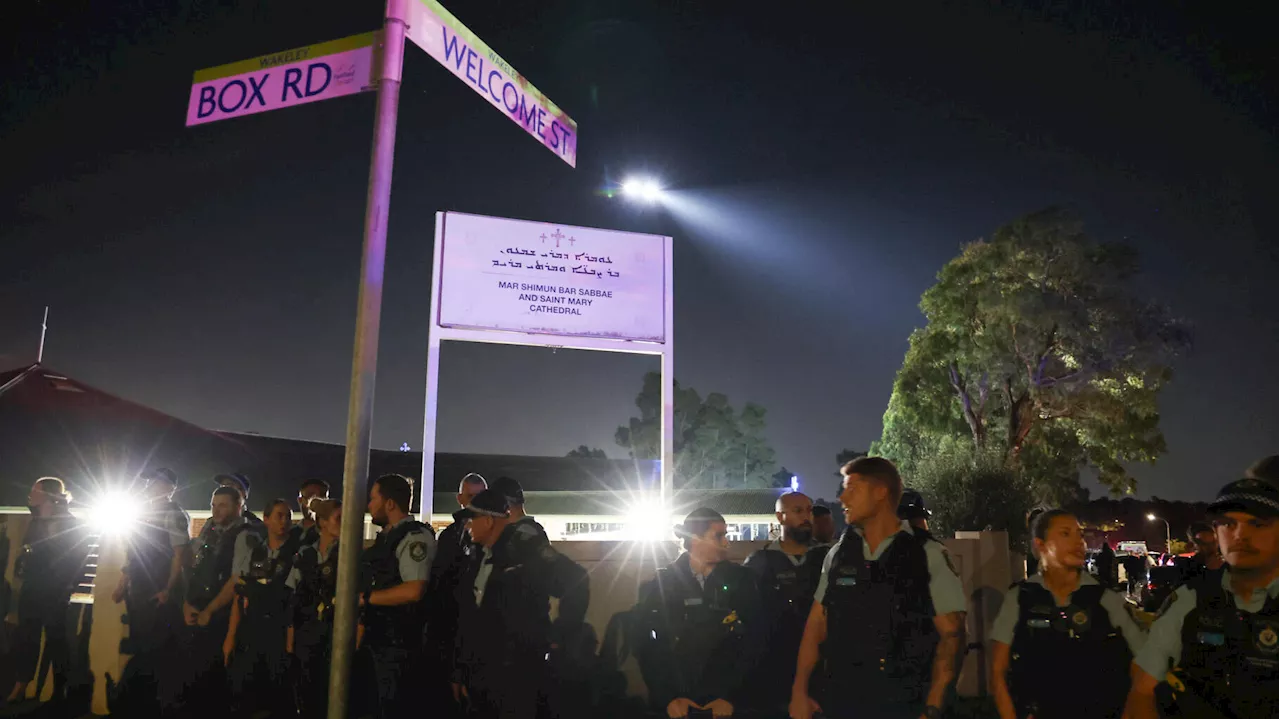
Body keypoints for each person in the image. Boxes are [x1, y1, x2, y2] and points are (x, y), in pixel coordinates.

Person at [792, 456, 967, 719]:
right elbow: (816, 624)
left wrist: (932, 708)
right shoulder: (839, 554)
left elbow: (952, 637)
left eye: (853, 488)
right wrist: (799, 691)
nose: (842, 498)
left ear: (880, 492)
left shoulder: (926, 554)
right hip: (843, 702)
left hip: (905, 703)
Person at [1122, 475, 1280, 719]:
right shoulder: (1189, 600)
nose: (1240, 535)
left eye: (1257, 523)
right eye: (1228, 523)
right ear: (1216, 532)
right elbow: (1142, 690)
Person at [991, 509, 1145, 719]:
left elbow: (1144, 663)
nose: (1078, 542)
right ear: (1040, 545)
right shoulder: (1019, 599)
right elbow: (997, 672)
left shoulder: (1105, 598)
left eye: (1080, 535)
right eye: (1065, 534)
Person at [455, 488, 591, 719]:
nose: (467, 526)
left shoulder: (524, 549)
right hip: (484, 673)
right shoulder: (477, 555)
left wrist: (560, 634)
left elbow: (576, 579)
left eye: (471, 519)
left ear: (488, 521)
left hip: (519, 673)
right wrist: (460, 670)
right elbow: (471, 617)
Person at [634, 508, 765, 719]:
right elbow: (647, 645)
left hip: (727, 704)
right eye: (719, 536)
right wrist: (668, 698)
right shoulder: (662, 582)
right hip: (677, 704)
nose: (726, 543)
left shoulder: (743, 580)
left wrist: (730, 697)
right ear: (695, 538)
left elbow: (755, 639)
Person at [6, 478, 92, 705]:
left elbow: (79, 560)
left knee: (57, 642)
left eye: (35, 490)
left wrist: (67, 587)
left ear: (49, 496)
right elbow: (29, 551)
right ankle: (20, 686)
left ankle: (59, 692)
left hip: (55, 592)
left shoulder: (71, 524)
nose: (30, 494)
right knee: (26, 638)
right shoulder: (35, 521)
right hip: (32, 588)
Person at [170, 485, 254, 719]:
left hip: (222, 616)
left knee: (214, 687)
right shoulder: (209, 529)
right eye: (213, 505)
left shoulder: (246, 534)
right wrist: (187, 602)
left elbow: (236, 579)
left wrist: (210, 610)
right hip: (197, 611)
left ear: (239, 506)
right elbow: (193, 569)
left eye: (222, 505)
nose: (216, 511)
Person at [743, 492, 829, 715]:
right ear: (780, 517)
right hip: (773, 674)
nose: (806, 517)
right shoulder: (759, 562)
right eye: (798, 511)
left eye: (809, 510)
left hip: (822, 673)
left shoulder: (828, 558)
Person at [359, 473, 435, 719]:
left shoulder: (414, 537)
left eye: (373, 499)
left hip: (400, 646)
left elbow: (415, 589)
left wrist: (366, 598)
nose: (369, 505)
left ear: (390, 503)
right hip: (380, 641)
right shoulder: (388, 538)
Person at [224, 499, 300, 718]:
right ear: (266, 519)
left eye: (287, 516)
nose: (284, 521)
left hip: (280, 633)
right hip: (253, 632)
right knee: (248, 697)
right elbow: (239, 597)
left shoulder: (297, 553)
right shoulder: (255, 553)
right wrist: (230, 637)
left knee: (279, 700)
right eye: (279, 515)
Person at [111, 467, 191, 656]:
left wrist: (168, 590)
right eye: (149, 483)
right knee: (139, 645)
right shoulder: (142, 514)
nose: (150, 487)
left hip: (157, 592)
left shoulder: (174, 514)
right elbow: (134, 553)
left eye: (156, 483)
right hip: (138, 590)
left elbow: (179, 555)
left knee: (156, 650)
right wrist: (123, 584)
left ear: (169, 488)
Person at [426, 473, 487, 717]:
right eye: (470, 496)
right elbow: (441, 585)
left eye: (480, 496)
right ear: (460, 498)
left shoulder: (497, 537)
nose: (475, 502)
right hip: (451, 631)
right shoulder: (451, 536)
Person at [287, 498, 343, 719]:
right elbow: (293, 596)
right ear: (322, 522)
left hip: (336, 634)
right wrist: (290, 638)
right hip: (308, 634)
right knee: (308, 695)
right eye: (338, 519)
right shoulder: (305, 555)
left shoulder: (349, 554)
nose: (344, 523)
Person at [293, 479, 330, 546]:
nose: (316, 500)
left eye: (322, 495)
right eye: (310, 495)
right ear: (300, 500)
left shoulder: (334, 531)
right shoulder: (290, 534)